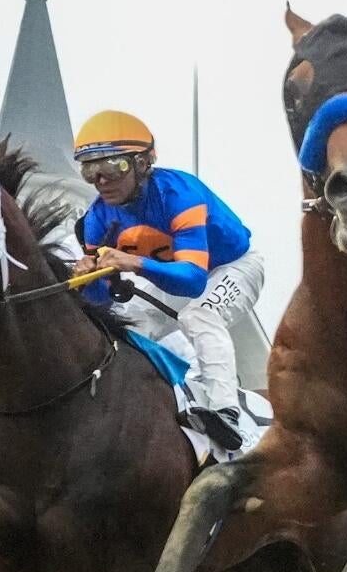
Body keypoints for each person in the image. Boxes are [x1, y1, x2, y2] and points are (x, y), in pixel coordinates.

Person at [71, 110, 265, 451]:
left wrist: (134, 262)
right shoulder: (96, 218)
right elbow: (103, 302)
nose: (101, 181)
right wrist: (89, 279)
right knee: (128, 324)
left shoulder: (179, 194)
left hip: (233, 266)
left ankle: (227, 413)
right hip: (177, 273)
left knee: (199, 315)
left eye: (112, 167)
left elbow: (193, 281)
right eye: (90, 170)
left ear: (142, 163)